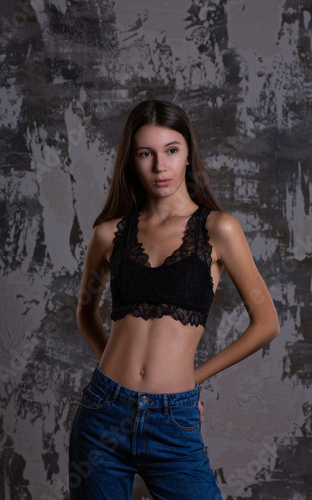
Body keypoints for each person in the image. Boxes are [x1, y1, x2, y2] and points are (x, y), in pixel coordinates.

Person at [68, 100, 280, 499]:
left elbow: (267, 323)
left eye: (171, 150)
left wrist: (191, 382)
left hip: (173, 418)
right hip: (101, 416)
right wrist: (112, 381)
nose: (159, 166)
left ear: (188, 156)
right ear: (131, 161)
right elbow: (84, 313)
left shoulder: (220, 230)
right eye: (145, 153)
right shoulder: (108, 234)